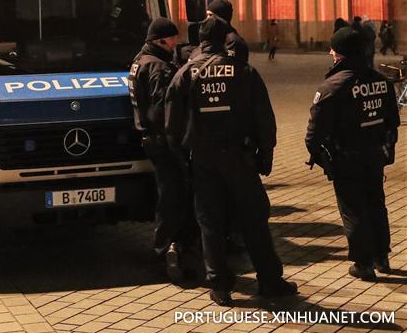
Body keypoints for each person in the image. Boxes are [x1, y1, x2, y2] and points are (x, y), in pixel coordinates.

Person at [166, 15, 297, 305]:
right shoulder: (244, 71)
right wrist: (266, 156)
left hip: (203, 160)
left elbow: (172, 127)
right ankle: (270, 281)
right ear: (226, 39)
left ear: (201, 40)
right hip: (240, 157)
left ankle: (220, 286)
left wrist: (183, 160)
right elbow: (265, 121)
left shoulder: (185, 74)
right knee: (254, 220)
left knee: (210, 222)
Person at [305, 26, 400, 280]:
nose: (330, 53)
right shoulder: (381, 82)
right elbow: (392, 122)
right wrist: (388, 150)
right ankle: (382, 256)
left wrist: (322, 158)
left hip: (346, 156)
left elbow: (313, 134)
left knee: (353, 209)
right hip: (374, 155)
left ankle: (363, 262)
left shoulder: (332, 86)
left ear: (342, 54)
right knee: (376, 204)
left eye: (333, 49)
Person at [128, 17, 192, 282]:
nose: (176, 42)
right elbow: (161, 110)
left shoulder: (139, 61)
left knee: (169, 192)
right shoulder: (158, 67)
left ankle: (168, 246)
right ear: (160, 40)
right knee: (173, 195)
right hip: (163, 142)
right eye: (172, 38)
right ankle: (167, 249)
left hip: (149, 139)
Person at [207, 0, 249, 64]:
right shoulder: (214, 35)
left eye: (210, 15)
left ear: (220, 17)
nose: (207, 19)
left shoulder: (232, 42)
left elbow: (232, 66)